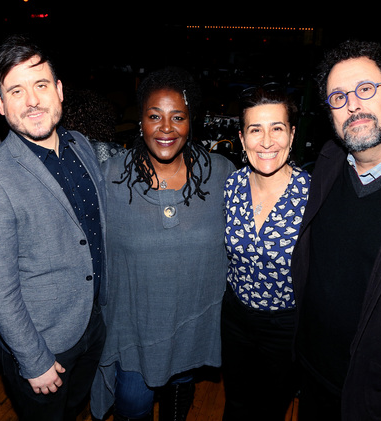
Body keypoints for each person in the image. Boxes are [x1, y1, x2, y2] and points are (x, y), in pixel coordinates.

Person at [0, 34, 107, 421]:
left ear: (59, 91)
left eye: (41, 85)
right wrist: (34, 359)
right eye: (16, 90)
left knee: (76, 409)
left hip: (93, 326)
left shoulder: (81, 146)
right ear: (0, 104)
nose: (32, 101)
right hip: (44, 345)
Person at [292, 39, 381, 420]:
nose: (352, 104)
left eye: (366, 89)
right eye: (337, 97)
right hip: (312, 374)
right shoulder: (327, 162)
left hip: (379, 400)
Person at [90, 67, 235, 421]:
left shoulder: (220, 174)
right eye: (155, 116)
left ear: (191, 121)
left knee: (179, 396)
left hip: (191, 326)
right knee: (133, 404)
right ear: (140, 120)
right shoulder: (111, 178)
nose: (166, 128)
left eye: (178, 117)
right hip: (135, 329)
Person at [222, 84, 310, 420]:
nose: (267, 140)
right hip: (235, 315)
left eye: (277, 128)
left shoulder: (312, 195)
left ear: (291, 134)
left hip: (285, 324)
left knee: (270, 407)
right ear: (242, 139)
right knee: (236, 402)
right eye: (255, 129)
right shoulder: (230, 186)